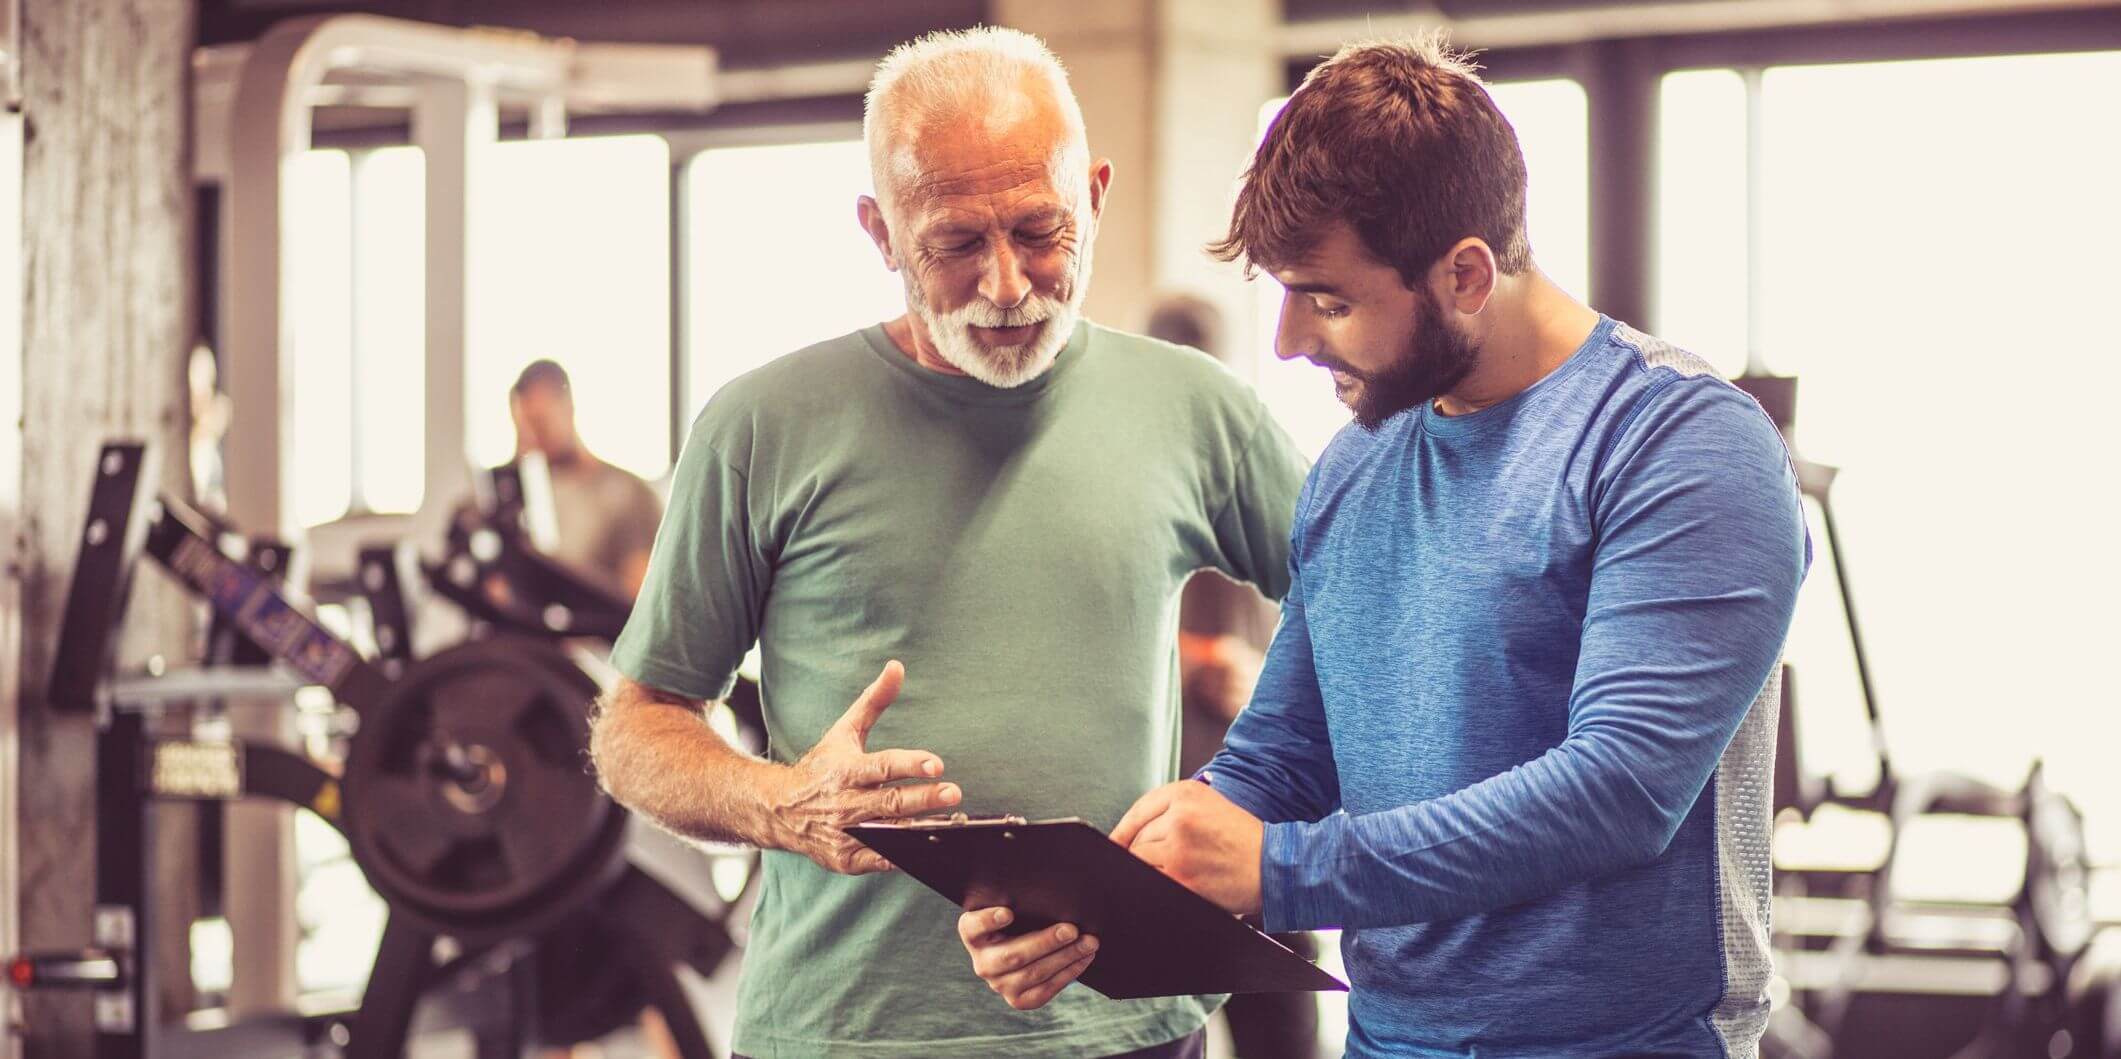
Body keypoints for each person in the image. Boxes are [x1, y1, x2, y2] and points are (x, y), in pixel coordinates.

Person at [962, 35, 1810, 1059]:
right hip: (1389, 1039)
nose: (1288, 341)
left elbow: (1620, 791)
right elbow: (1283, 757)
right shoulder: (1357, 467)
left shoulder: (1679, 443)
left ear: (1464, 274)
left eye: (1328, 300)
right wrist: (1111, 891)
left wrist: (1281, 871)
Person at [588, 26, 1307, 1059]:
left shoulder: (1196, 408)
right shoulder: (761, 425)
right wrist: (784, 804)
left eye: (1039, 230)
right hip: (845, 1032)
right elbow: (636, 727)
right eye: (957, 243)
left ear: (1095, 197)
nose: (1008, 284)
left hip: (1131, 1031)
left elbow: (1368, 617)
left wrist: (1251, 798)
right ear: (881, 233)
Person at [1146, 294, 1319, 1059]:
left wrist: (1263, 671)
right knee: (1168, 1012)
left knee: (1280, 1018)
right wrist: (1201, 659)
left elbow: (1320, 608)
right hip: (1170, 785)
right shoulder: (1141, 478)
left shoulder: (1259, 465)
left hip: (1257, 803)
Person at [507, 358, 662, 598]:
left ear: (568, 408)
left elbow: (640, 597)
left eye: (539, 424)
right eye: (523, 428)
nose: (531, 440)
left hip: (594, 632)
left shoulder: (629, 494)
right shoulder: (522, 500)